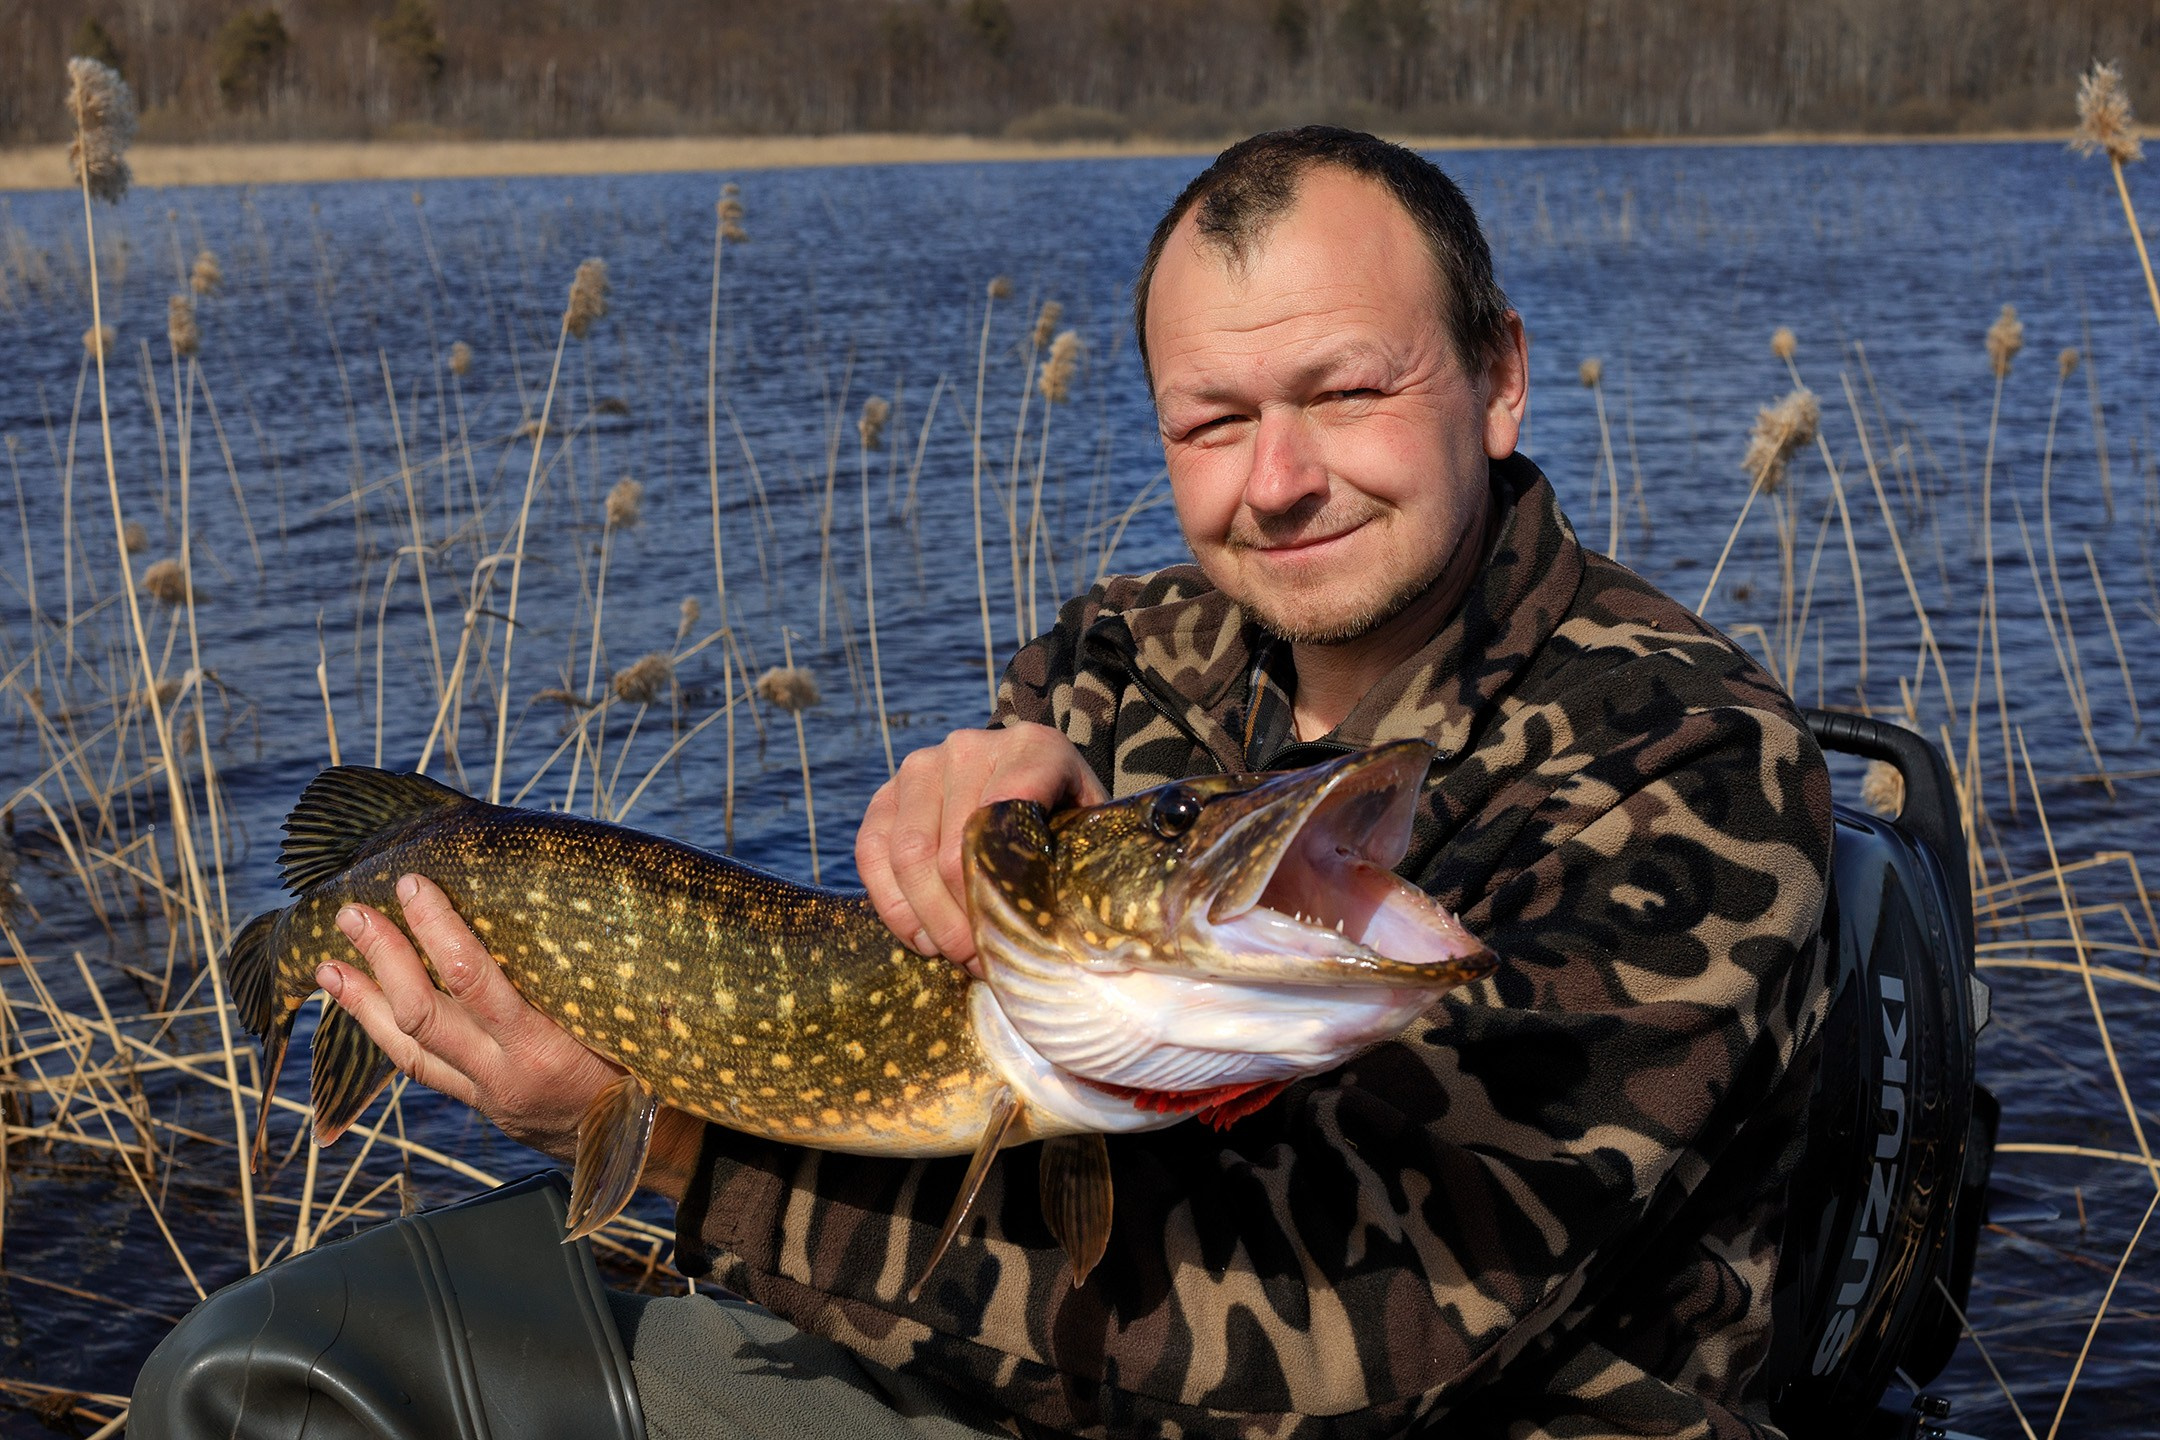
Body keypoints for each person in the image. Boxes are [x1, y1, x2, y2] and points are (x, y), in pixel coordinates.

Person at [132, 128, 1831, 1439]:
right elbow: (986, 1099)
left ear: (1499, 377)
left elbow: (1342, 1341)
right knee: (264, 1369)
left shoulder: (1684, 767)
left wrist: (659, 1150)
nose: (1282, 479)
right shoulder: (1130, 652)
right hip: (1020, 1359)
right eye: (1212, 419)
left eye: (1347, 393)